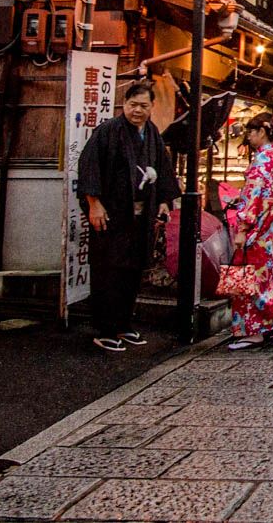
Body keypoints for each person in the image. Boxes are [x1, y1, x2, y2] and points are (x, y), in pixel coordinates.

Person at [76, 79, 180, 353]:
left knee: (133, 271)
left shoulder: (152, 133)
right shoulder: (108, 131)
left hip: (140, 215)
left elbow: (163, 169)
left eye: (143, 106)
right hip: (111, 213)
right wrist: (94, 204)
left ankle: (124, 323)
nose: (137, 110)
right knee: (109, 270)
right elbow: (89, 167)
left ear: (152, 107)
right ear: (124, 104)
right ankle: (105, 328)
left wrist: (164, 202)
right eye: (133, 105)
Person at [226, 113, 273, 350]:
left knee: (255, 276)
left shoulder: (261, 161)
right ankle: (256, 330)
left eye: (251, 132)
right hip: (270, 222)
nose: (248, 137)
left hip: (257, 224)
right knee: (260, 274)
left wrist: (243, 226)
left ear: (261, 132)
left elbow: (254, 196)